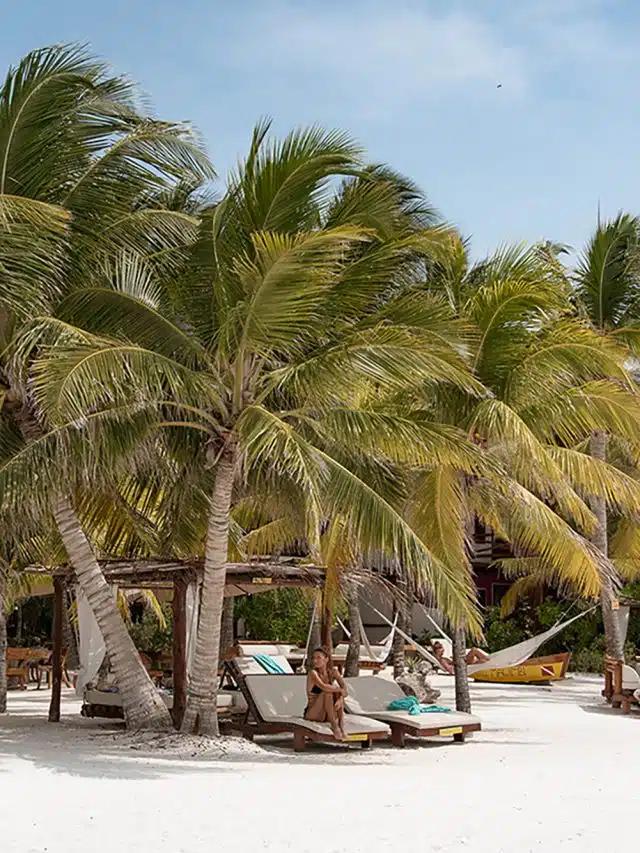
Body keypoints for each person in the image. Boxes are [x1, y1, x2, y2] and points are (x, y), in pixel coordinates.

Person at [305, 647, 347, 740]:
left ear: (326, 659)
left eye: (318, 658)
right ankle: (334, 725)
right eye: (313, 658)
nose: (315, 660)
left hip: (328, 713)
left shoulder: (333, 672)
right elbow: (323, 686)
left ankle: (341, 723)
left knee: (337, 694)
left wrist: (340, 699)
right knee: (327, 692)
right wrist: (339, 690)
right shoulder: (313, 673)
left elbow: (345, 690)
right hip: (314, 713)